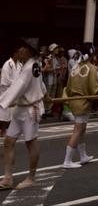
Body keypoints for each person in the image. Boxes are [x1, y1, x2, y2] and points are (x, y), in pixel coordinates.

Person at [0, 38, 46, 191]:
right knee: (8, 141)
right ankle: (7, 178)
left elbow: (17, 88)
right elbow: (40, 84)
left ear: (29, 51)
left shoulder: (30, 66)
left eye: (22, 47)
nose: (19, 50)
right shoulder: (29, 64)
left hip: (29, 110)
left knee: (30, 143)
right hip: (20, 108)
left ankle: (31, 177)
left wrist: (1, 102)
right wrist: (46, 95)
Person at [62, 47, 98, 168]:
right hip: (82, 101)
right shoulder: (91, 68)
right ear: (92, 56)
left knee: (82, 130)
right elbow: (94, 88)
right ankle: (67, 160)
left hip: (74, 100)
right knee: (78, 130)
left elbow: (68, 87)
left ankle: (83, 156)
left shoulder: (75, 67)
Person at [0, 49, 20, 138]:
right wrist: (15, 84)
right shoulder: (7, 64)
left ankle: (12, 131)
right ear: (14, 54)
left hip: (15, 91)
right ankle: (2, 131)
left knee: (14, 113)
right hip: (6, 91)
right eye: (19, 54)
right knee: (5, 113)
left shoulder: (19, 64)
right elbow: (5, 80)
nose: (20, 55)